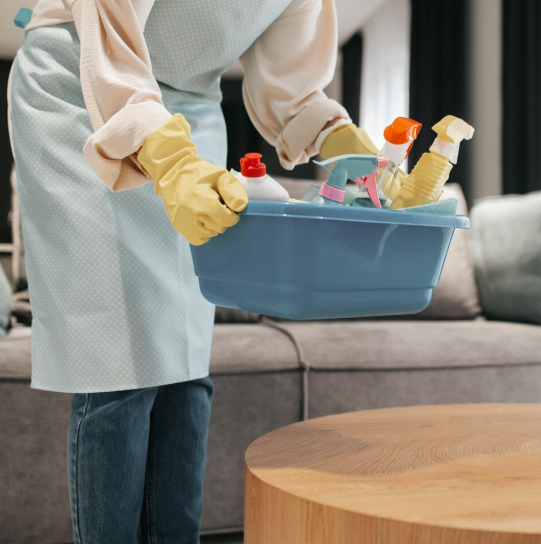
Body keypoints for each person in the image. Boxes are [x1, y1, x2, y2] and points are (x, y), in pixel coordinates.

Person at [8, 1, 380, 542]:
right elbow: (109, 41)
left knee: (184, 361)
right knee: (118, 364)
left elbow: (292, 85)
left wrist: (335, 135)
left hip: (191, 114)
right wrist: (170, 162)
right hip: (84, 90)